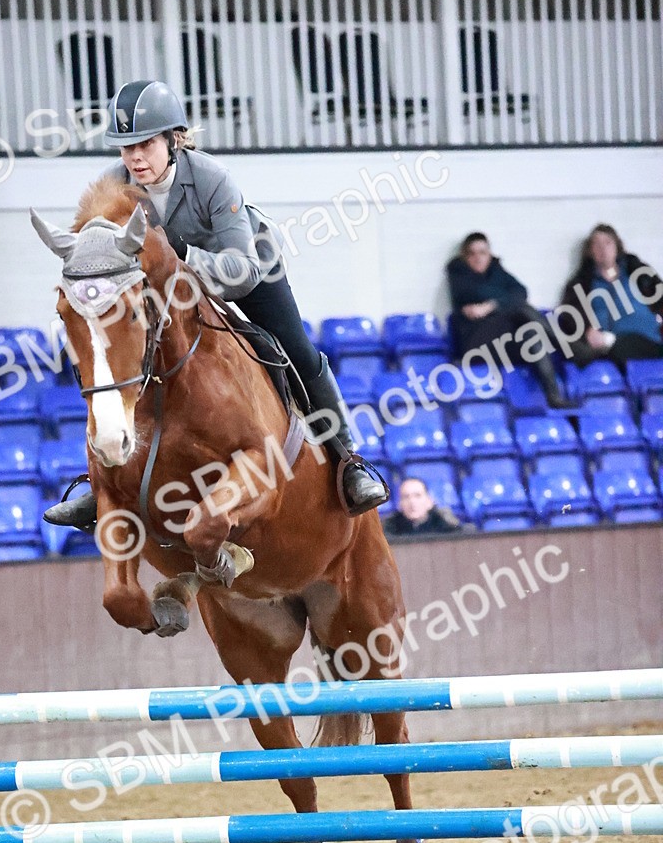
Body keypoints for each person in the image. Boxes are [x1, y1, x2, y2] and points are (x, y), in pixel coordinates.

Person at [45, 79, 388, 529]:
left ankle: (349, 462)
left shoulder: (211, 179)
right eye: (126, 147)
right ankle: (99, 483)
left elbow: (241, 268)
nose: (134, 158)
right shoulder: (113, 185)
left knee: (294, 347)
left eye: (146, 144)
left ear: (174, 139)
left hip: (244, 271)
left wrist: (181, 256)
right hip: (162, 290)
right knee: (103, 355)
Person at [446, 233, 576, 409]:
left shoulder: (497, 272)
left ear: (489, 254)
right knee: (520, 309)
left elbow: (521, 292)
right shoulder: (458, 273)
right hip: (474, 345)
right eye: (472, 253)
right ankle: (569, 346)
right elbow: (476, 293)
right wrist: (500, 300)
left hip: (500, 341)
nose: (478, 258)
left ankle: (554, 397)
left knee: (531, 332)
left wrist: (490, 306)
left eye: (482, 253)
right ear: (464, 256)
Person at [560, 224, 663, 370]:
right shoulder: (582, 284)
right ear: (590, 252)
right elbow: (570, 314)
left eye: (608, 242)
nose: (603, 249)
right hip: (612, 348)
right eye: (596, 244)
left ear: (617, 246)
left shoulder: (637, 272)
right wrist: (587, 330)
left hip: (650, 341)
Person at [382, 477, 462, 539]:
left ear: (429, 501)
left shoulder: (446, 524)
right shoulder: (389, 527)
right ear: (400, 504)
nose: (412, 502)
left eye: (417, 496)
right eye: (406, 497)